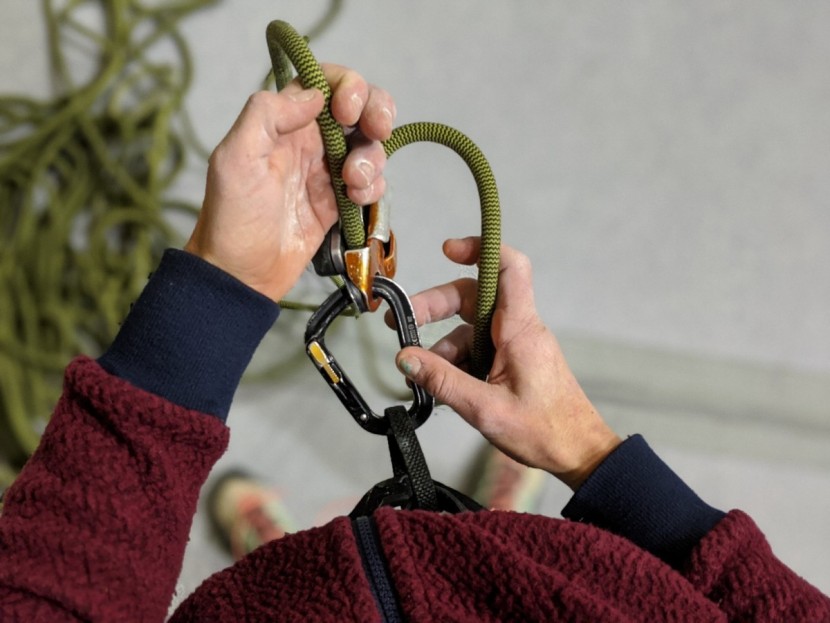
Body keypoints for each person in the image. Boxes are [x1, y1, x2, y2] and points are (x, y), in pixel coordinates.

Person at [0, 64, 827, 623]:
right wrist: (590, 454)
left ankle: (284, 547)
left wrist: (212, 301)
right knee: (496, 549)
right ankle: (486, 531)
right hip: (560, 586)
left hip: (280, 603)